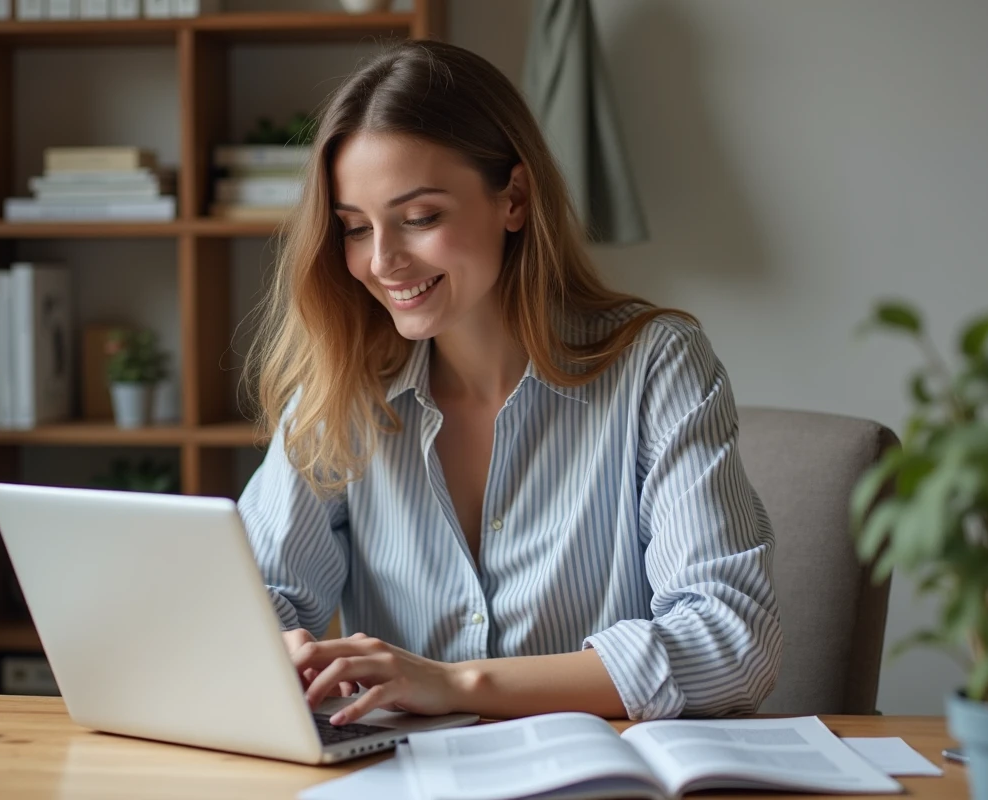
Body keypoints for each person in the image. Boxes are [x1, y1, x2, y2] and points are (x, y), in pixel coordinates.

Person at [238, 39, 782, 727]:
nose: (382, 262)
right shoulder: (342, 388)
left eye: (420, 218)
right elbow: (261, 593)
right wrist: (267, 641)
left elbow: (733, 641)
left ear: (515, 198)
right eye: (353, 229)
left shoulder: (657, 366)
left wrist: (457, 684)